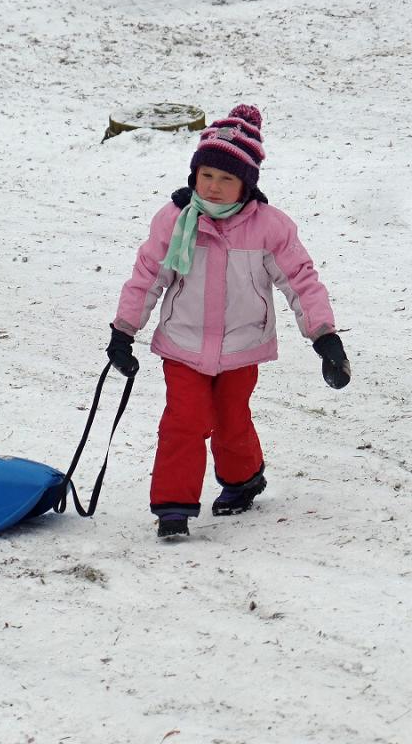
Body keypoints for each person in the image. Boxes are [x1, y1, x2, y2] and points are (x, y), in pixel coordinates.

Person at [107, 104, 351, 538]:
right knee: (183, 421)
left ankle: (243, 480)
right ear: (194, 175)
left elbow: (301, 281)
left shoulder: (269, 228)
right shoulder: (175, 222)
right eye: (207, 175)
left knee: (230, 418)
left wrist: (325, 339)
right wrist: (123, 333)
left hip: (241, 346)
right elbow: (147, 276)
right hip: (184, 345)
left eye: (227, 178)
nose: (214, 187)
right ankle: (173, 508)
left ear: (247, 184)